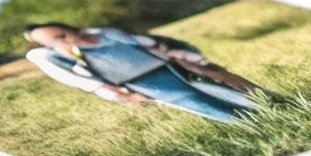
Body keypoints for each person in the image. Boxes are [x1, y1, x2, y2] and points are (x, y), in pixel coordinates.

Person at [22, 23, 260, 122]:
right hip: (142, 82)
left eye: (63, 35)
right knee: (190, 100)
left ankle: (262, 106)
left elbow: (148, 43)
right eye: (53, 43)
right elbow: (47, 60)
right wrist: (119, 94)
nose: (63, 42)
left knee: (214, 86)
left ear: (72, 28)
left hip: (167, 65)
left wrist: (179, 56)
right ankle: (240, 120)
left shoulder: (105, 34)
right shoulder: (64, 57)